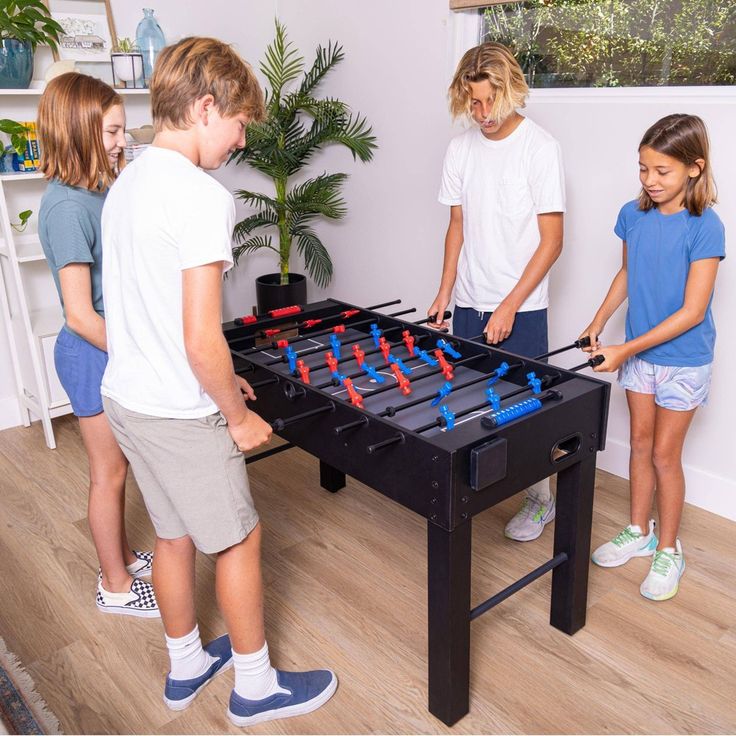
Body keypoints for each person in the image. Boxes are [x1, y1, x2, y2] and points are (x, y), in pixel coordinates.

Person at [99, 37, 337, 725]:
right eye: (238, 125)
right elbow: (202, 338)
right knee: (239, 537)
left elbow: (144, 307)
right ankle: (256, 690)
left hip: (127, 398)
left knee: (173, 534)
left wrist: (226, 381)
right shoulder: (202, 197)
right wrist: (233, 416)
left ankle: (186, 667)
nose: (240, 141)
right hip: (177, 411)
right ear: (207, 107)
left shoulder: (128, 180)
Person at [581, 114, 724, 601]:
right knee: (639, 445)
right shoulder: (633, 214)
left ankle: (669, 548)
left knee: (665, 454)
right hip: (638, 355)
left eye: (662, 171)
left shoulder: (706, 227)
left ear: (694, 168)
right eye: (643, 169)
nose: (650, 180)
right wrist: (598, 323)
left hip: (683, 359)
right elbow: (627, 274)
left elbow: (692, 310)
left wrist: (624, 349)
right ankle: (638, 530)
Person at [428, 42, 565, 542]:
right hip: (469, 299)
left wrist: (509, 304)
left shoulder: (540, 148)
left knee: (527, 409)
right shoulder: (460, 148)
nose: (481, 114)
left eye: (489, 101)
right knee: (468, 402)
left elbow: (552, 241)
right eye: (473, 103)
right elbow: (457, 227)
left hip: (522, 307)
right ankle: (468, 495)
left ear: (510, 92)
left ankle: (540, 501)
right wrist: (444, 292)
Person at [37, 73, 159, 618]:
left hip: (111, 347)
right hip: (92, 352)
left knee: (120, 469)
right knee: (107, 474)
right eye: (111, 132)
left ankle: (124, 556)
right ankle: (114, 585)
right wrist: (141, 353)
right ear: (80, 132)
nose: (120, 141)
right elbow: (81, 315)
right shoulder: (65, 209)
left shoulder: (96, 189)